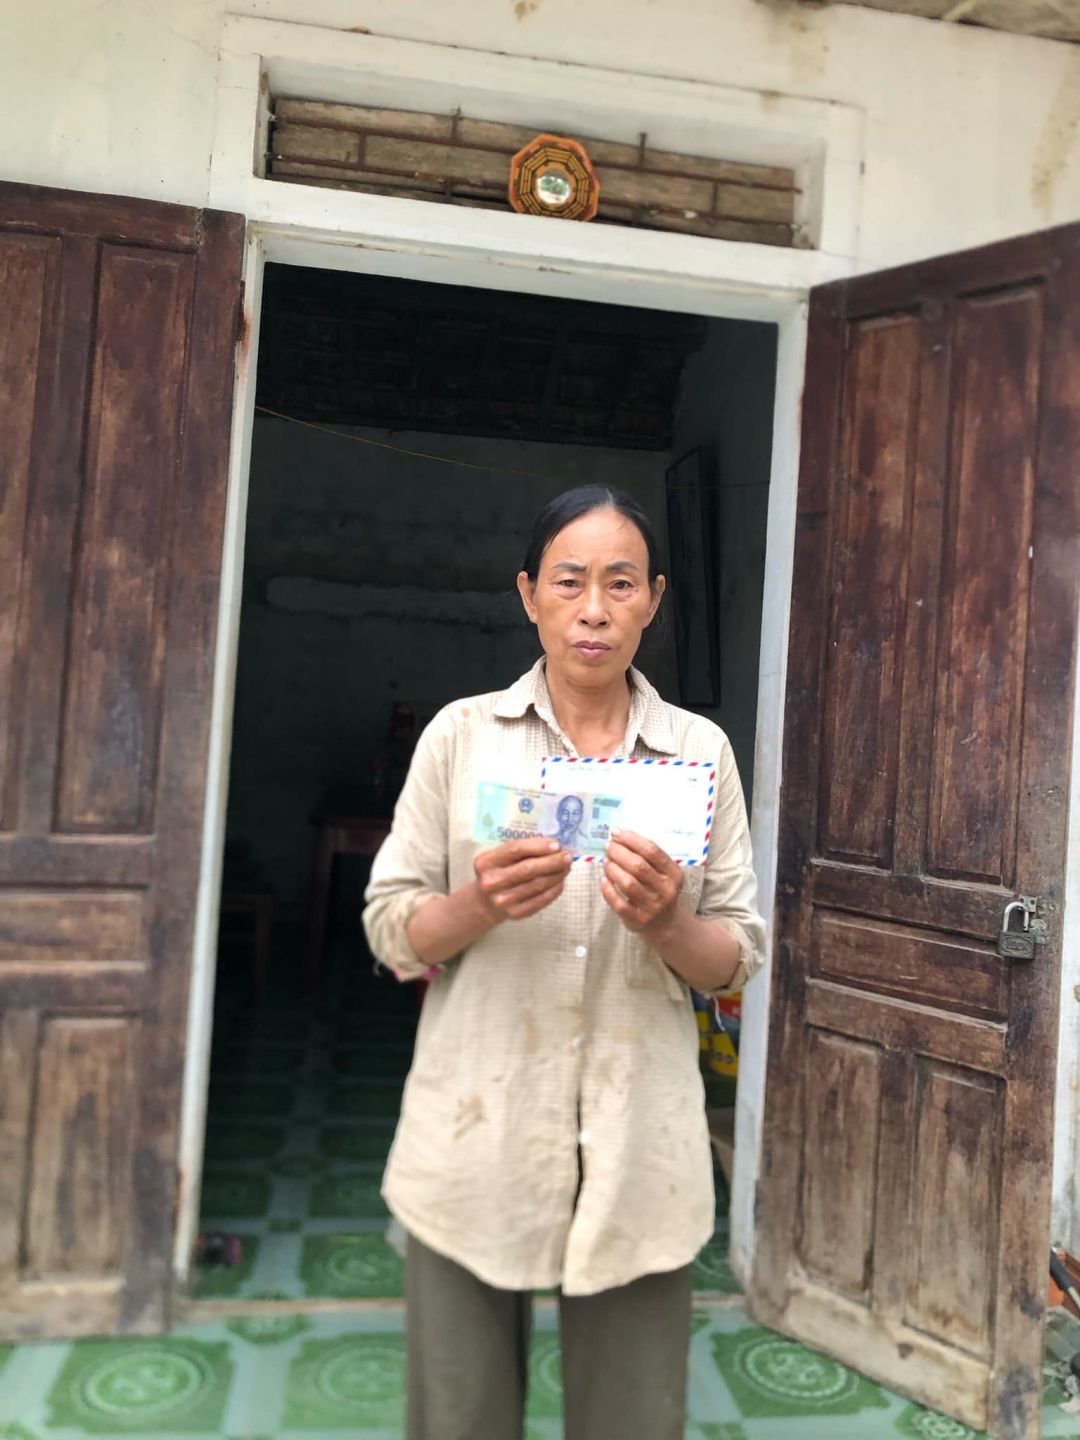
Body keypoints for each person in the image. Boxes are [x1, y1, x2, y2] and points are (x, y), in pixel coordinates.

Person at [363, 484, 766, 1440]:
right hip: (475, 1136)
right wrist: (477, 904)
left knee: (632, 1420)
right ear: (528, 594)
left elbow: (737, 957)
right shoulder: (462, 738)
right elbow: (390, 928)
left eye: (620, 584)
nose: (594, 609)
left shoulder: (697, 751)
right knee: (459, 1419)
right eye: (569, 581)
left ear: (654, 600)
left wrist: (668, 923)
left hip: (641, 1152)